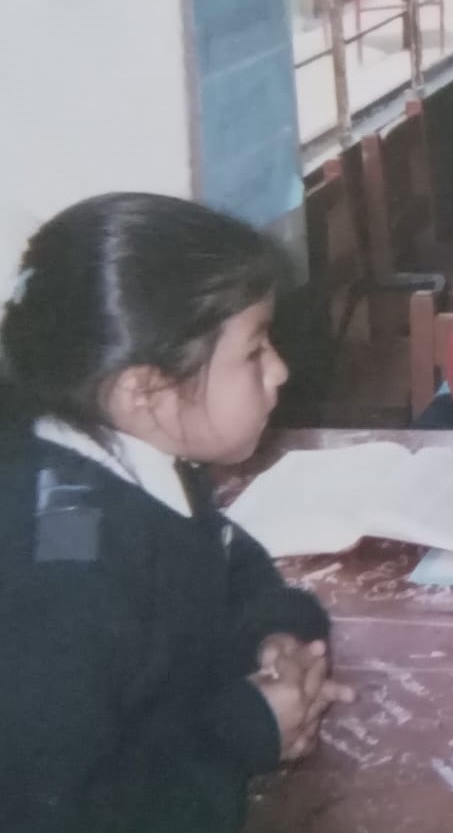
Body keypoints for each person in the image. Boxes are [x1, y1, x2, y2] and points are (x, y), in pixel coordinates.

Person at [0, 193, 352, 832]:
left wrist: (274, 636)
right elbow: (58, 809)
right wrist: (248, 734)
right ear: (147, 392)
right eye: (253, 352)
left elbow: (231, 562)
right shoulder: (64, 577)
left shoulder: (150, 469)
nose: (279, 370)